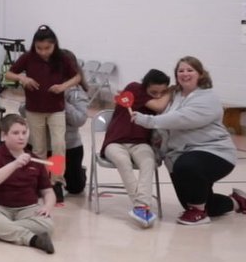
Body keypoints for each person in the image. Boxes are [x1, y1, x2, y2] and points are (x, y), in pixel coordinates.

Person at [131, 56, 246, 225]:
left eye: (190, 70)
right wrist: (158, 152)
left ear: (200, 74)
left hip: (214, 152)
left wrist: (147, 120)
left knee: (187, 167)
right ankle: (237, 201)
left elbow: (180, 119)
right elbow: (164, 127)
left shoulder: (208, 98)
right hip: (180, 156)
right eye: (181, 70)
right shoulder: (174, 95)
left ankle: (199, 213)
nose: (185, 73)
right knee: (193, 201)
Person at [0, 114, 57, 254]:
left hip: (27, 209)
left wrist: (48, 206)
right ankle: (31, 239)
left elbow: (48, 191)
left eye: (24, 132)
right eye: (15, 133)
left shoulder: (35, 160)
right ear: (4, 136)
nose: (21, 137)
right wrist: (14, 164)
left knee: (47, 225)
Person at [4, 25, 81, 189]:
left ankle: (57, 181)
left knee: (59, 145)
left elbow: (77, 76)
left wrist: (63, 86)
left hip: (57, 110)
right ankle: (42, 181)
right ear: (34, 46)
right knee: (39, 148)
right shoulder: (27, 57)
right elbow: (8, 73)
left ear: (55, 45)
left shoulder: (62, 58)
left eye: (47, 48)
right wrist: (22, 78)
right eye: (39, 48)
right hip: (34, 110)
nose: (43, 52)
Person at [103, 69, 171, 228]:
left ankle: (140, 207)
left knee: (149, 162)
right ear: (145, 86)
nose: (158, 95)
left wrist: (168, 91)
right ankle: (141, 206)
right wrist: (171, 91)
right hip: (115, 141)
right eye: (154, 91)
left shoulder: (155, 97)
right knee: (122, 161)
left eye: (162, 92)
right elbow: (160, 106)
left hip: (141, 143)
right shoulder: (134, 88)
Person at [59, 49, 90, 202]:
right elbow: (23, 110)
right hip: (44, 144)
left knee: (75, 188)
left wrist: (61, 102)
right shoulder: (43, 83)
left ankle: (79, 172)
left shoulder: (76, 91)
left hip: (70, 145)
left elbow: (80, 119)